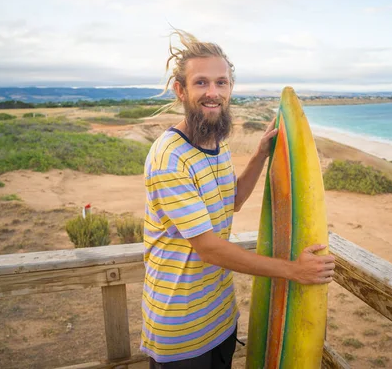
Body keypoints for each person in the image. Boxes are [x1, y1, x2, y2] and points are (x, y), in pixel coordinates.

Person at [141, 30, 335, 368]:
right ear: (181, 90)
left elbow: (233, 202)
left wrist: (260, 155)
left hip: (219, 317)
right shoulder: (168, 157)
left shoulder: (215, 142)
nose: (213, 92)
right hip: (181, 329)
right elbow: (208, 247)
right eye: (201, 83)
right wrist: (293, 271)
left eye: (222, 82)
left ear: (230, 88)